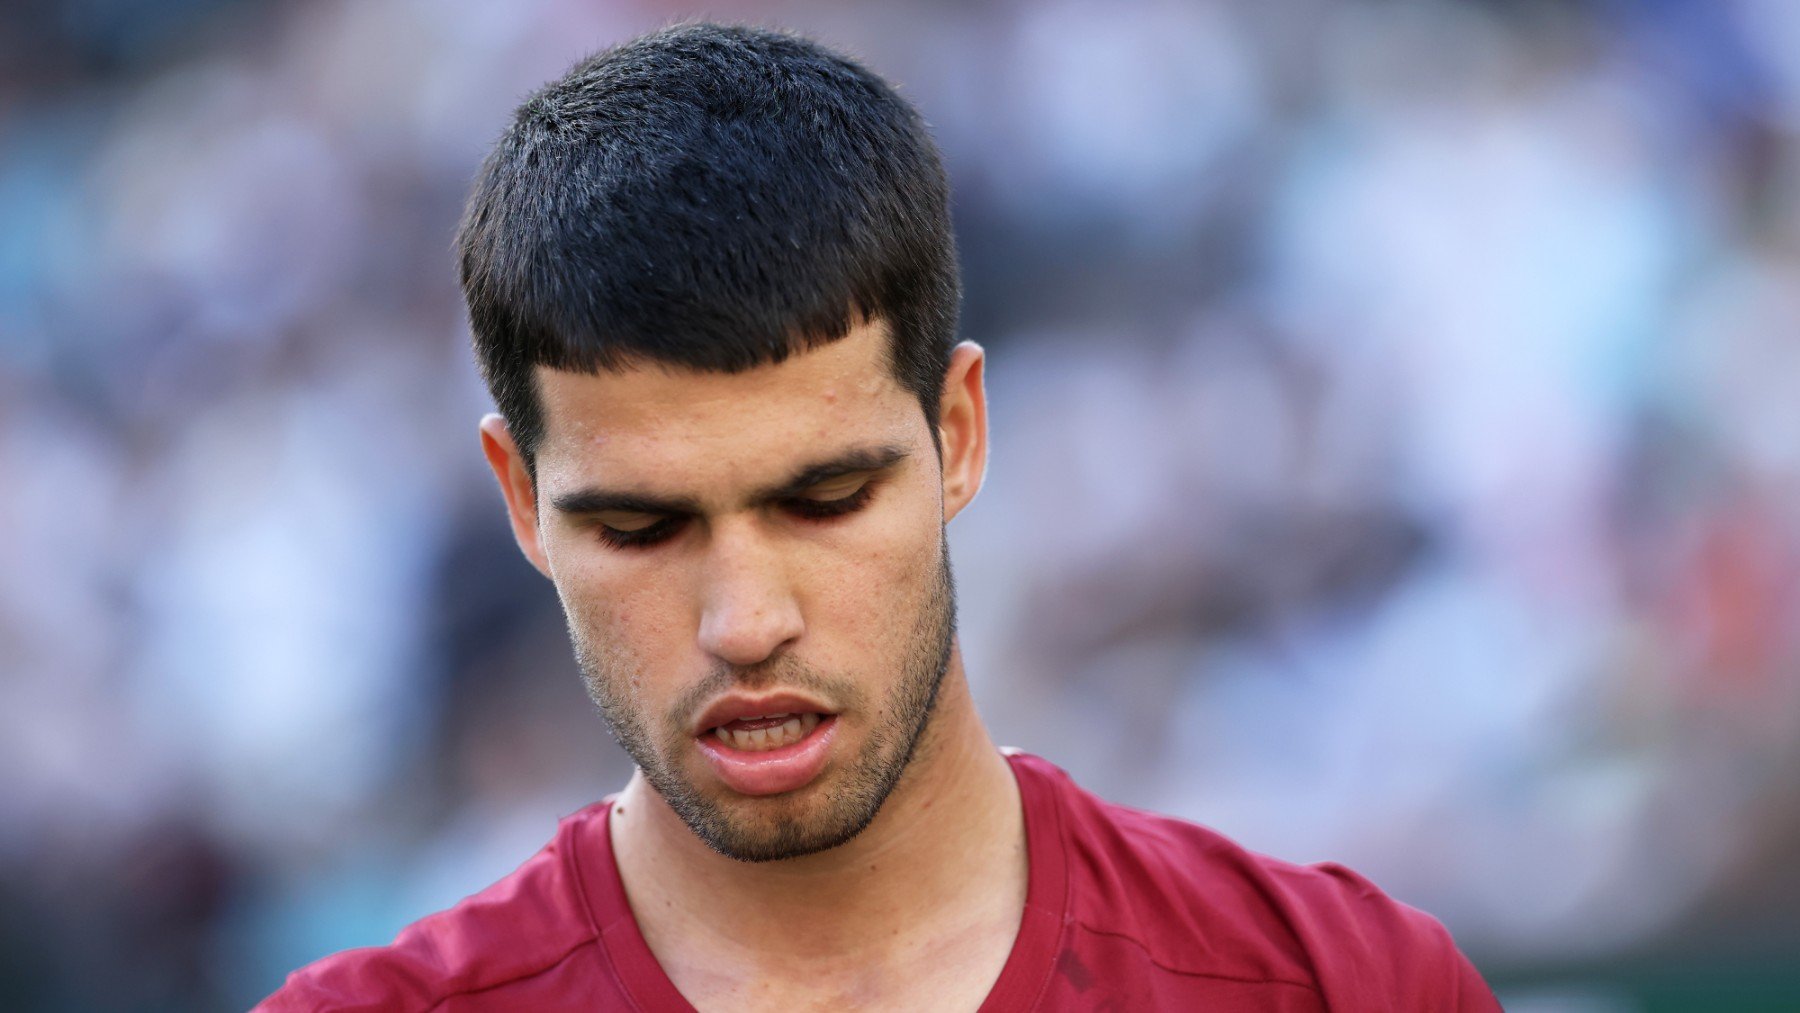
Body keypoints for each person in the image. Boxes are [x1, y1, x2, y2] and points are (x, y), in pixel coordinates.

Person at [260, 21, 1501, 1011]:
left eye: (825, 498)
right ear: (521, 502)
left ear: (957, 433)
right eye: (640, 529)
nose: (745, 622)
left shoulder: (1344, 985)